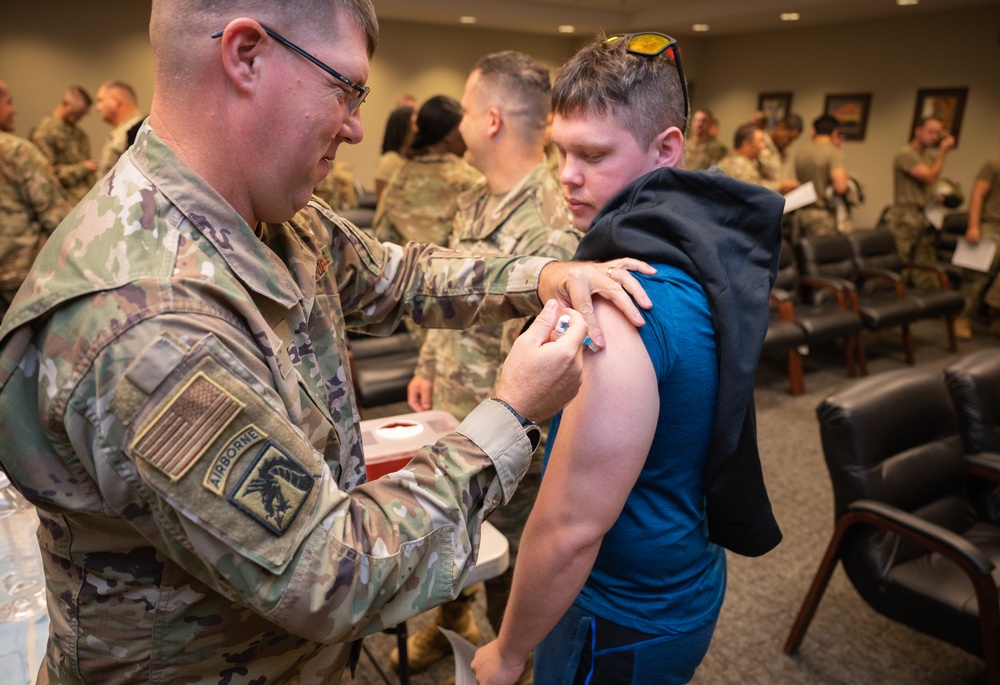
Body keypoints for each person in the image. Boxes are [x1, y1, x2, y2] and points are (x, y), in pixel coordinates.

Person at [0, 3, 656, 683]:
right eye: (345, 88)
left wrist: (544, 274)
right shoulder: (146, 323)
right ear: (247, 55)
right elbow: (333, 574)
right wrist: (510, 415)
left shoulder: (266, 216)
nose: (357, 125)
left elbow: (399, 277)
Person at [472, 31, 783, 685]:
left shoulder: (621, 305)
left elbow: (568, 529)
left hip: (615, 618)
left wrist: (505, 651)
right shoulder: (706, 254)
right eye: (560, 151)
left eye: (592, 154)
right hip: (683, 580)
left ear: (666, 150)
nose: (566, 175)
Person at [398, 50, 581, 675]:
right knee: (452, 531)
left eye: (469, 111)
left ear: (494, 120)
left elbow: (551, 356)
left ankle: (512, 658)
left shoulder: (553, 220)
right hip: (455, 405)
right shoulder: (474, 199)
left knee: (512, 552)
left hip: (511, 427)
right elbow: (451, 288)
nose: (461, 125)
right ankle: (451, 620)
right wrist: (427, 362)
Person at [0, 78, 73, 316]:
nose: (14, 110)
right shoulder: (17, 151)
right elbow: (60, 219)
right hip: (19, 280)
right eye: (9, 102)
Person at [373, 94, 482, 246]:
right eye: (462, 127)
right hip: (447, 267)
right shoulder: (469, 178)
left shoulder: (401, 174)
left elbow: (381, 232)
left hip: (402, 264)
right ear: (449, 135)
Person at [888, 116, 956, 290]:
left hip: (925, 214)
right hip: (906, 215)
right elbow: (929, 176)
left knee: (925, 262)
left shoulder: (927, 156)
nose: (934, 137)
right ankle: (891, 296)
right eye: (930, 131)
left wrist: (940, 194)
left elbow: (934, 181)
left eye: (937, 133)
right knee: (900, 260)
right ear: (918, 131)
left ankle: (930, 305)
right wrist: (943, 153)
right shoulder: (906, 154)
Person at [29, 84, 98, 204]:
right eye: (78, 112)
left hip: (87, 200)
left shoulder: (79, 134)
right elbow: (47, 175)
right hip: (65, 204)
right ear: (65, 103)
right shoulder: (44, 133)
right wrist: (83, 168)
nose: (80, 118)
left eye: (84, 113)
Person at [793, 114, 852, 238]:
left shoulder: (802, 152)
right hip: (822, 217)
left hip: (801, 215)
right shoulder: (834, 153)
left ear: (813, 131)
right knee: (821, 255)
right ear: (834, 133)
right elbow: (840, 187)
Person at [966, 154, 1000, 334]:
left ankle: (996, 318)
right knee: (976, 276)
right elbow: (977, 195)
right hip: (991, 226)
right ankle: (963, 316)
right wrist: (973, 226)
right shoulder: (994, 162)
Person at [717, 123, 799, 194]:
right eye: (760, 141)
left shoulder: (729, 160)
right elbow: (753, 191)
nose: (763, 146)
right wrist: (779, 186)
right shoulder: (741, 165)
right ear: (746, 145)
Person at [95, 80, 145, 177]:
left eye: (101, 100)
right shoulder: (124, 132)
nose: (98, 107)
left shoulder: (137, 132)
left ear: (116, 101)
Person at [373, 103, 416, 200]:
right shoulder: (389, 161)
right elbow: (384, 203)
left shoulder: (408, 160)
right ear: (403, 127)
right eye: (415, 123)